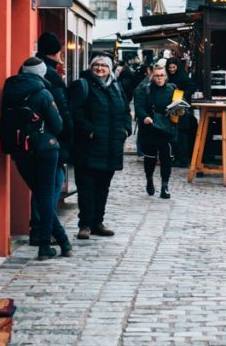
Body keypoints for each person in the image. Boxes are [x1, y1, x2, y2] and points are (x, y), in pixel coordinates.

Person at [0, 58, 67, 261]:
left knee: (40, 193)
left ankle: (63, 241)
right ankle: (46, 245)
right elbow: (57, 125)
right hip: (45, 149)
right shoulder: (43, 92)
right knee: (46, 196)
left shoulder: (9, 91)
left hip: (19, 150)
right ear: (42, 73)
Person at [68, 55, 131, 239]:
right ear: (90, 67)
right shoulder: (82, 85)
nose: (100, 68)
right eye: (96, 65)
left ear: (110, 69)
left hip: (111, 147)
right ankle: (85, 224)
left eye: (104, 65)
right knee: (86, 187)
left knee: (103, 187)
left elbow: (126, 111)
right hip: (88, 147)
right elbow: (74, 113)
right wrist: (89, 131)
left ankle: (98, 222)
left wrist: (126, 130)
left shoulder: (116, 87)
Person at [30, 32, 73, 252]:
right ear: (56, 51)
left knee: (41, 187)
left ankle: (40, 230)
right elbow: (61, 113)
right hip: (49, 142)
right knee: (52, 186)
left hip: (29, 142)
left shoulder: (27, 71)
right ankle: (46, 232)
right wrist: (68, 134)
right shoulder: (51, 76)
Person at [134, 65, 177, 198]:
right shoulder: (144, 89)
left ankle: (165, 186)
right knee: (150, 157)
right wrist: (145, 117)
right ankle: (149, 180)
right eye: (157, 75)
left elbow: (178, 105)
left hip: (166, 127)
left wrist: (180, 109)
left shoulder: (172, 89)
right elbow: (138, 107)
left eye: (162, 75)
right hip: (150, 127)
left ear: (166, 76)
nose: (159, 78)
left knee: (166, 158)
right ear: (152, 76)